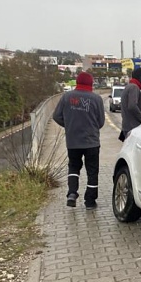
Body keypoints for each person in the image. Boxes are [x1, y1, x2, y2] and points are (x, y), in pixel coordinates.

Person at [52, 71, 105, 210]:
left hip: (73, 141)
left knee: (74, 166)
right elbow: (101, 122)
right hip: (92, 142)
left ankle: (72, 193)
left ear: (77, 82)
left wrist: (69, 125)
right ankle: (90, 201)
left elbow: (56, 116)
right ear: (91, 84)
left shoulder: (66, 97)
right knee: (92, 171)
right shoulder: (96, 99)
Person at [120, 67, 141, 141]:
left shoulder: (128, 87)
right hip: (133, 128)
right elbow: (132, 106)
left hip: (128, 127)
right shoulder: (134, 88)